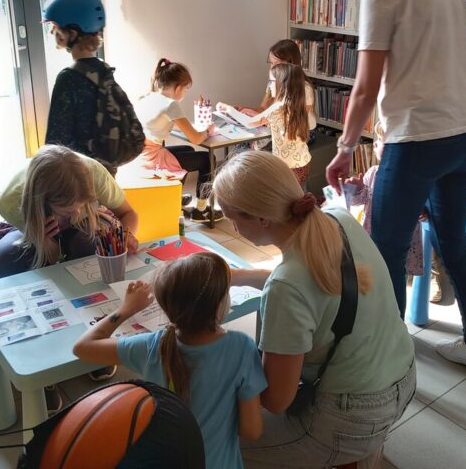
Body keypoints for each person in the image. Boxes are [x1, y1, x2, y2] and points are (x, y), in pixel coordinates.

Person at [325, 0, 466, 375]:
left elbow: (365, 87)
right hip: (465, 135)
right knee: (454, 244)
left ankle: (389, 358)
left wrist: (344, 148)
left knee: (387, 251)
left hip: (418, 138)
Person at [213, 151, 416, 468]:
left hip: (352, 415)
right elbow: (321, 284)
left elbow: (276, 401)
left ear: (261, 218)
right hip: (403, 376)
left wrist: (232, 365)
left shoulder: (286, 286)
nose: (233, 228)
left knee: (215, 435)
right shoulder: (338, 218)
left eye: (232, 217)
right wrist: (237, 277)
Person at [73, 253, 267, 469]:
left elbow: (82, 347)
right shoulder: (241, 347)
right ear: (220, 305)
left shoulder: (151, 345)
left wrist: (126, 308)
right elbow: (252, 430)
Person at [0, 145, 139, 279]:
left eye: (82, 204)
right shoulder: (10, 202)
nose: (77, 212)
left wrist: (125, 238)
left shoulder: (96, 175)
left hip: (91, 219)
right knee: (2, 262)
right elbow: (52, 259)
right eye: (68, 211)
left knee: (86, 246)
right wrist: (43, 241)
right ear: (46, 201)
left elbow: (128, 213)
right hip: (32, 225)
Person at [43, 0, 143, 175]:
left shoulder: (68, 78)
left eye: (55, 27)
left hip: (78, 176)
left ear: (71, 33)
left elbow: (55, 143)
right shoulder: (104, 70)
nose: (51, 31)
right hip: (106, 172)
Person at [344, 122, 445, 303]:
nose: (374, 145)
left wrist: (424, 208)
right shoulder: (373, 172)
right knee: (373, 277)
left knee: (395, 279)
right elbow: (362, 199)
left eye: (381, 141)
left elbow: (426, 202)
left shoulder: (415, 177)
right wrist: (358, 188)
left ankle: (396, 318)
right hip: (372, 238)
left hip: (402, 244)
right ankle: (373, 309)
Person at [135, 58, 222, 223]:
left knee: (187, 151)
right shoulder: (170, 105)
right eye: (186, 89)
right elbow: (196, 138)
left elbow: (158, 125)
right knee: (207, 158)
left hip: (140, 154)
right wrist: (208, 131)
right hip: (152, 159)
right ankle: (201, 211)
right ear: (178, 87)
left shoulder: (146, 97)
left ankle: (175, 197)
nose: (185, 93)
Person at [221, 63, 312, 187]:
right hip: (302, 163)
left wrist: (229, 110)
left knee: (282, 198)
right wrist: (250, 112)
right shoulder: (295, 103)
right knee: (296, 195)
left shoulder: (278, 107)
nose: (269, 85)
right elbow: (268, 118)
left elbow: (251, 123)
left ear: (281, 84)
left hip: (285, 167)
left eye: (271, 81)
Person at [235, 39, 317, 140]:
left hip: (302, 132)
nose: (272, 68)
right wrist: (245, 110)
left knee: (251, 149)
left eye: (276, 63)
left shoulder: (304, 88)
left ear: (290, 64)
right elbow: (264, 108)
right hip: (277, 126)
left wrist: (262, 120)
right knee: (242, 145)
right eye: (271, 63)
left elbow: (294, 120)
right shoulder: (273, 82)